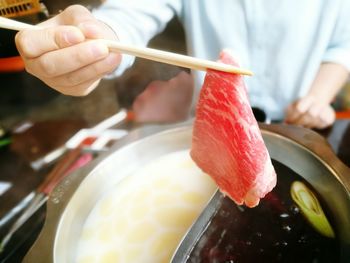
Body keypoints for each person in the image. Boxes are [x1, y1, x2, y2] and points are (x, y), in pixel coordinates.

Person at [14, 1, 350, 129]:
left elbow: (343, 45)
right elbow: (130, 15)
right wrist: (95, 40)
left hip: (293, 124)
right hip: (209, 128)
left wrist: (318, 99)